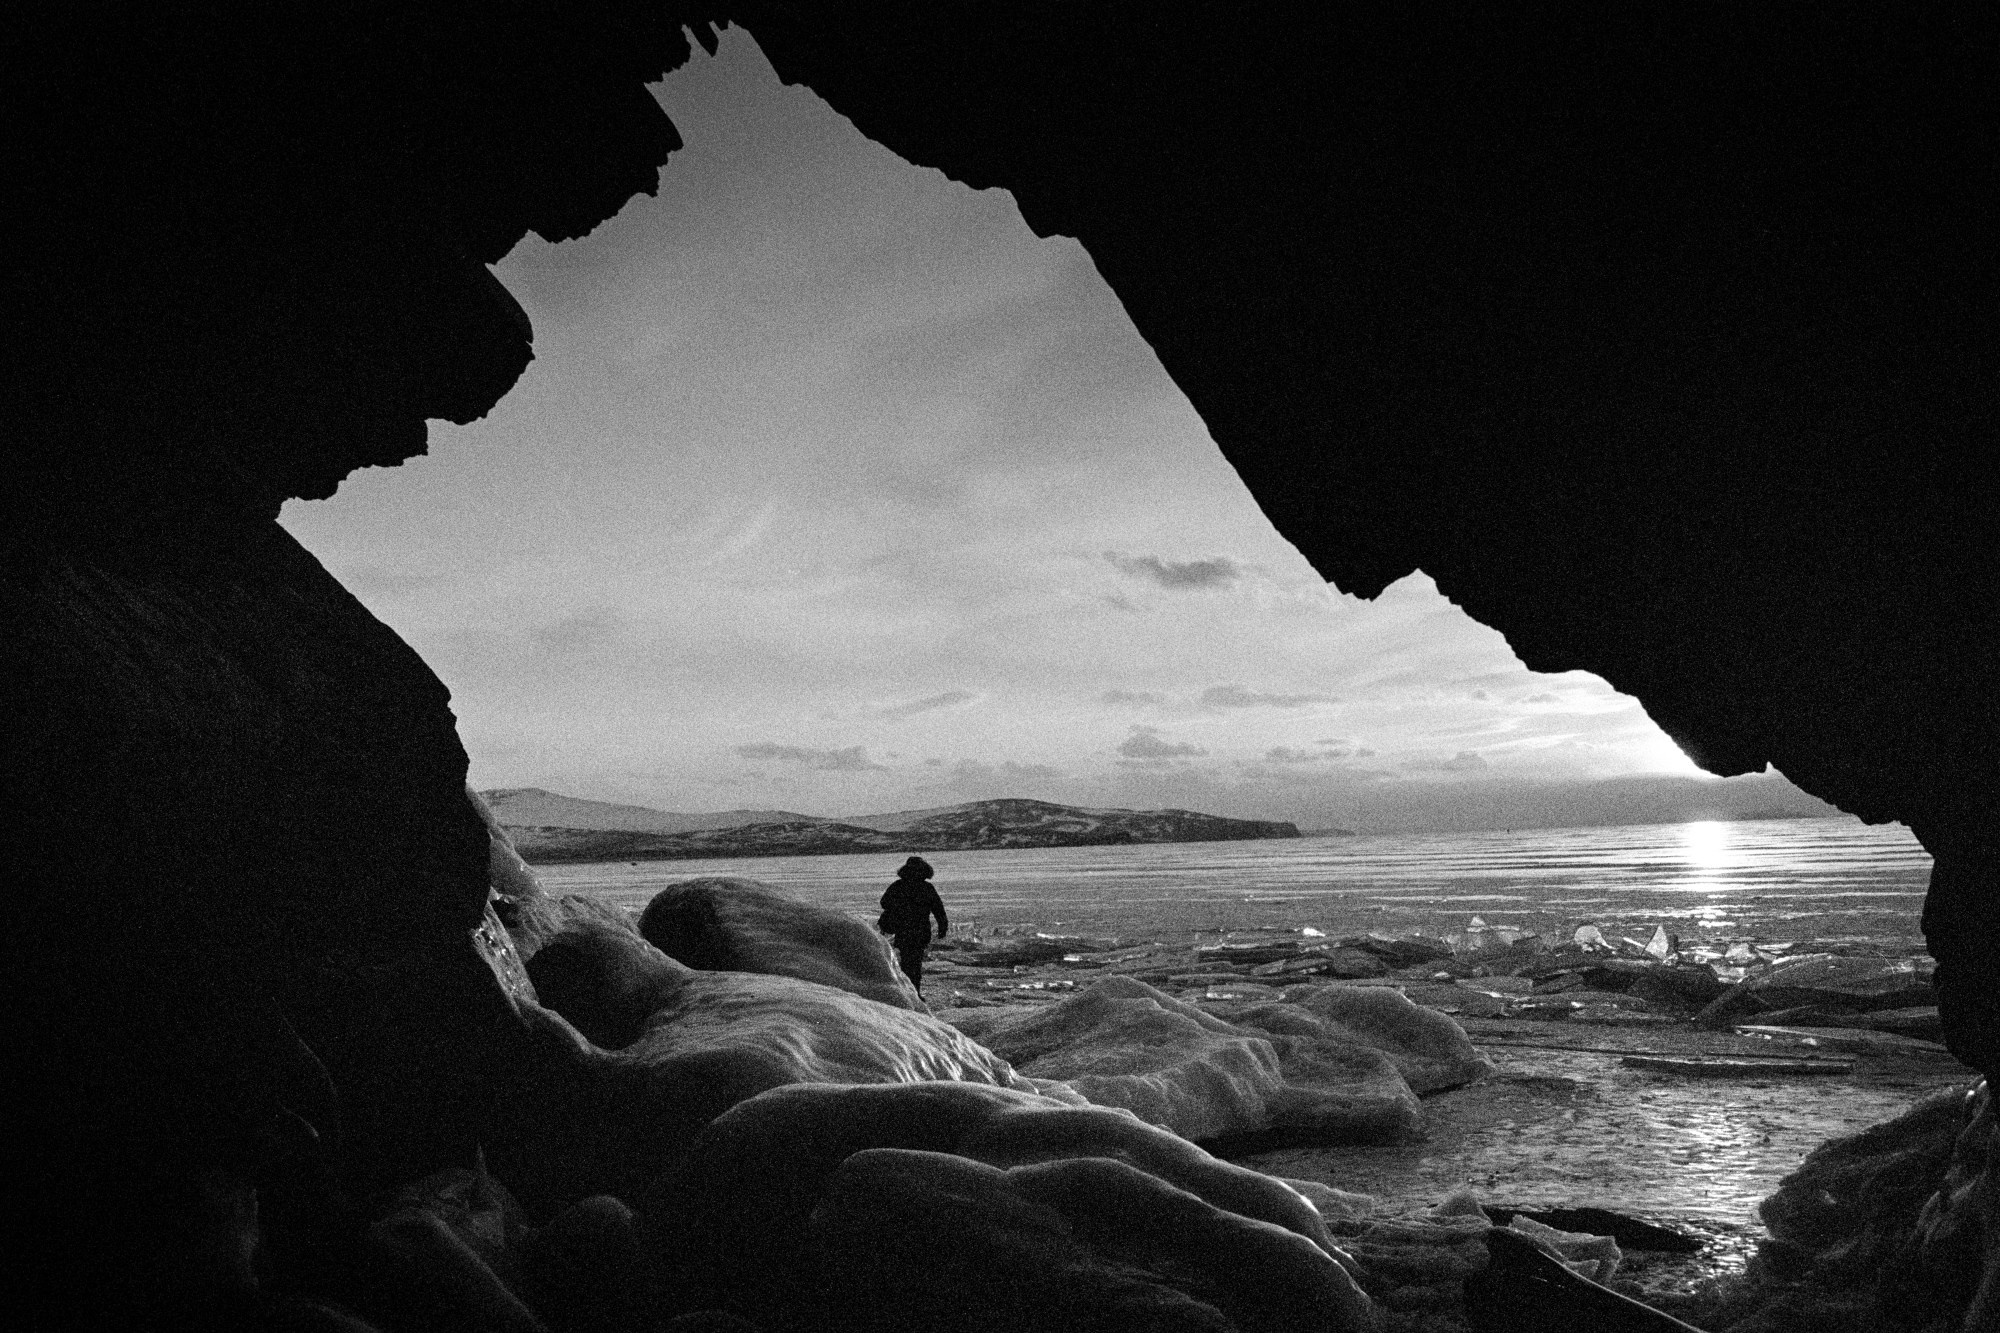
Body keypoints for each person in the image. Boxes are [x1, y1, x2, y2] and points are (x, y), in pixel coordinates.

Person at [877, 856, 948, 991]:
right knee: (915, 963)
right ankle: (914, 991)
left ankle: (909, 991)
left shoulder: (898, 885)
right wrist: (942, 927)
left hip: (903, 929)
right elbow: (938, 909)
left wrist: (899, 907)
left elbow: (884, 902)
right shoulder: (927, 887)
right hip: (920, 931)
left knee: (906, 962)